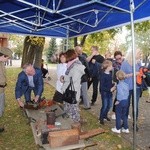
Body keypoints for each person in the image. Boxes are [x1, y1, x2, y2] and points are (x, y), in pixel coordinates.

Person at [120, 49, 142, 131]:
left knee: (135, 106)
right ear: (134, 54)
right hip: (127, 88)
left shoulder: (139, 63)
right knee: (126, 105)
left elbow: (141, 73)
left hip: (137, 87)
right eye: (139, 53)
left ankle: (135, 123)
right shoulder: (125, 63)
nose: (140, 55)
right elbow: (121, 76)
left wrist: (142, 75)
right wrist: (133, 74)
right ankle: (124, 123)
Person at [61, 49, 85, 123]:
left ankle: (76, 127)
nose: (65, 58)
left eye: (66, 56)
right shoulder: (71, 65)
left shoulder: (77, 66)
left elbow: (73, 79)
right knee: (68, 108)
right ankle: (69, 125)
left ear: (70, 56)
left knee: (73, 111)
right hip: (69, 90)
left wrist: (64, 78)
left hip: (73, 91)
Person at [0, 47, 13, 132]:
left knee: (1, 108)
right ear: (4, 55)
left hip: (1, 90)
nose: (7, 59)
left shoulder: (1, 63)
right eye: (7, 58)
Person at [99, 60, 116, 125]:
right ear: (108, 67)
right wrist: (110, 89)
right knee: (105, 106)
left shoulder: (110, 74)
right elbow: (102, 87)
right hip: (105, 93)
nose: (112, 67)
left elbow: (109, 83)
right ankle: (101, 118)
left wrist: (113, 84)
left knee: (110, 105)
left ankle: (105, 115)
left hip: (109, 93)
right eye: (111, 65)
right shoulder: (103, 75)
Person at [111, 51, 124, 120]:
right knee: (117, 97)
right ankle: (114, 112)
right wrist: (114, 83)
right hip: (118, 82)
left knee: (124, 98)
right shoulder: (114, 64)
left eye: (120, 58)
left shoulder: (125, 62)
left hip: (125, 82)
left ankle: (123, 113)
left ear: (121, 56)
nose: (118, 60)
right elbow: (114, 74)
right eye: (117, 59)